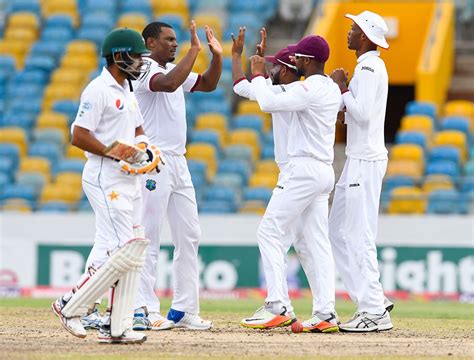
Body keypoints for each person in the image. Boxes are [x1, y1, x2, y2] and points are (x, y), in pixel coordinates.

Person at [51, 28, 154, 344]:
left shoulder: (127, 90)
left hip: (128, 180)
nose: (141, 62)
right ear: (120, 56)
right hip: (104, 177)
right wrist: (119, 153)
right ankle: (70, 304)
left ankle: (119, 326)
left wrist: (143, 149)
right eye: (137, 56)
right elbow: (79, 135)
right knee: (128, 247)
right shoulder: (98, 90)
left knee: (114, 247)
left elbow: (137, 127)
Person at [232, 27, 337, 332]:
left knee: (269, 233)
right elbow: (243, 88)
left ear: (300, 64)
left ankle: (278, 306)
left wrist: (259, 71)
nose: (274, 69)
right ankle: (325, 312)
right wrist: (239, 58)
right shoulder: (310, 89)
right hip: (319, 171)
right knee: (312, 244)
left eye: (280, 66)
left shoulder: (302, 91)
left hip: (301, 171)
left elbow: (265, 101)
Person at [132, 20, 222, 331]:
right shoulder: (143, 67)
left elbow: (208, 84)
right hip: (152, 160)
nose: (174, 44)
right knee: (149, 236)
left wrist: (217, 56)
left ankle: (184, 310)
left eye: (176, 40)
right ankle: (143, 307)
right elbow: (168, 83)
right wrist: (194, 50)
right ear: (150, 43)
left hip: (178, 161)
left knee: (189, 235)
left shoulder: (173, 69)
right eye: (168, 40)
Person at [329, 10, 393, 332]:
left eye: (354, 29)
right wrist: (342, 96)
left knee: (358, 235)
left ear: (365, 36)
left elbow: (364, 113)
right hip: (357, 159)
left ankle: (374, 310)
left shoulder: (368, 66)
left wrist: (342, 88)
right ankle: (371, 300)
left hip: (364, 161)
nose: (349, 33)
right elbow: (355, 111)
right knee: (336, 231)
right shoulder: (367, 66)